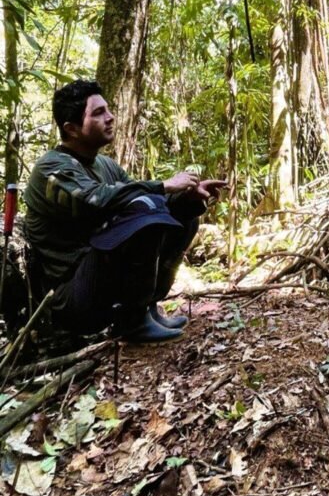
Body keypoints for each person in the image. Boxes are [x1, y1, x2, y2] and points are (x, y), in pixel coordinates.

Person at [24, 79, 226, 342]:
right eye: (98, 113)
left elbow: (141, 199)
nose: (110, 118)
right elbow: (97, 200)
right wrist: (163, 185)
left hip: (101, 278)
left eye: (107, 110)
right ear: (71, 129)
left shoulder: (104, 164)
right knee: (145, 214)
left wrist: (185, 199)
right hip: (72, 296)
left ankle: (147, 309)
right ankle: (133, 321)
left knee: (182, 216)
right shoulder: (51, 169)